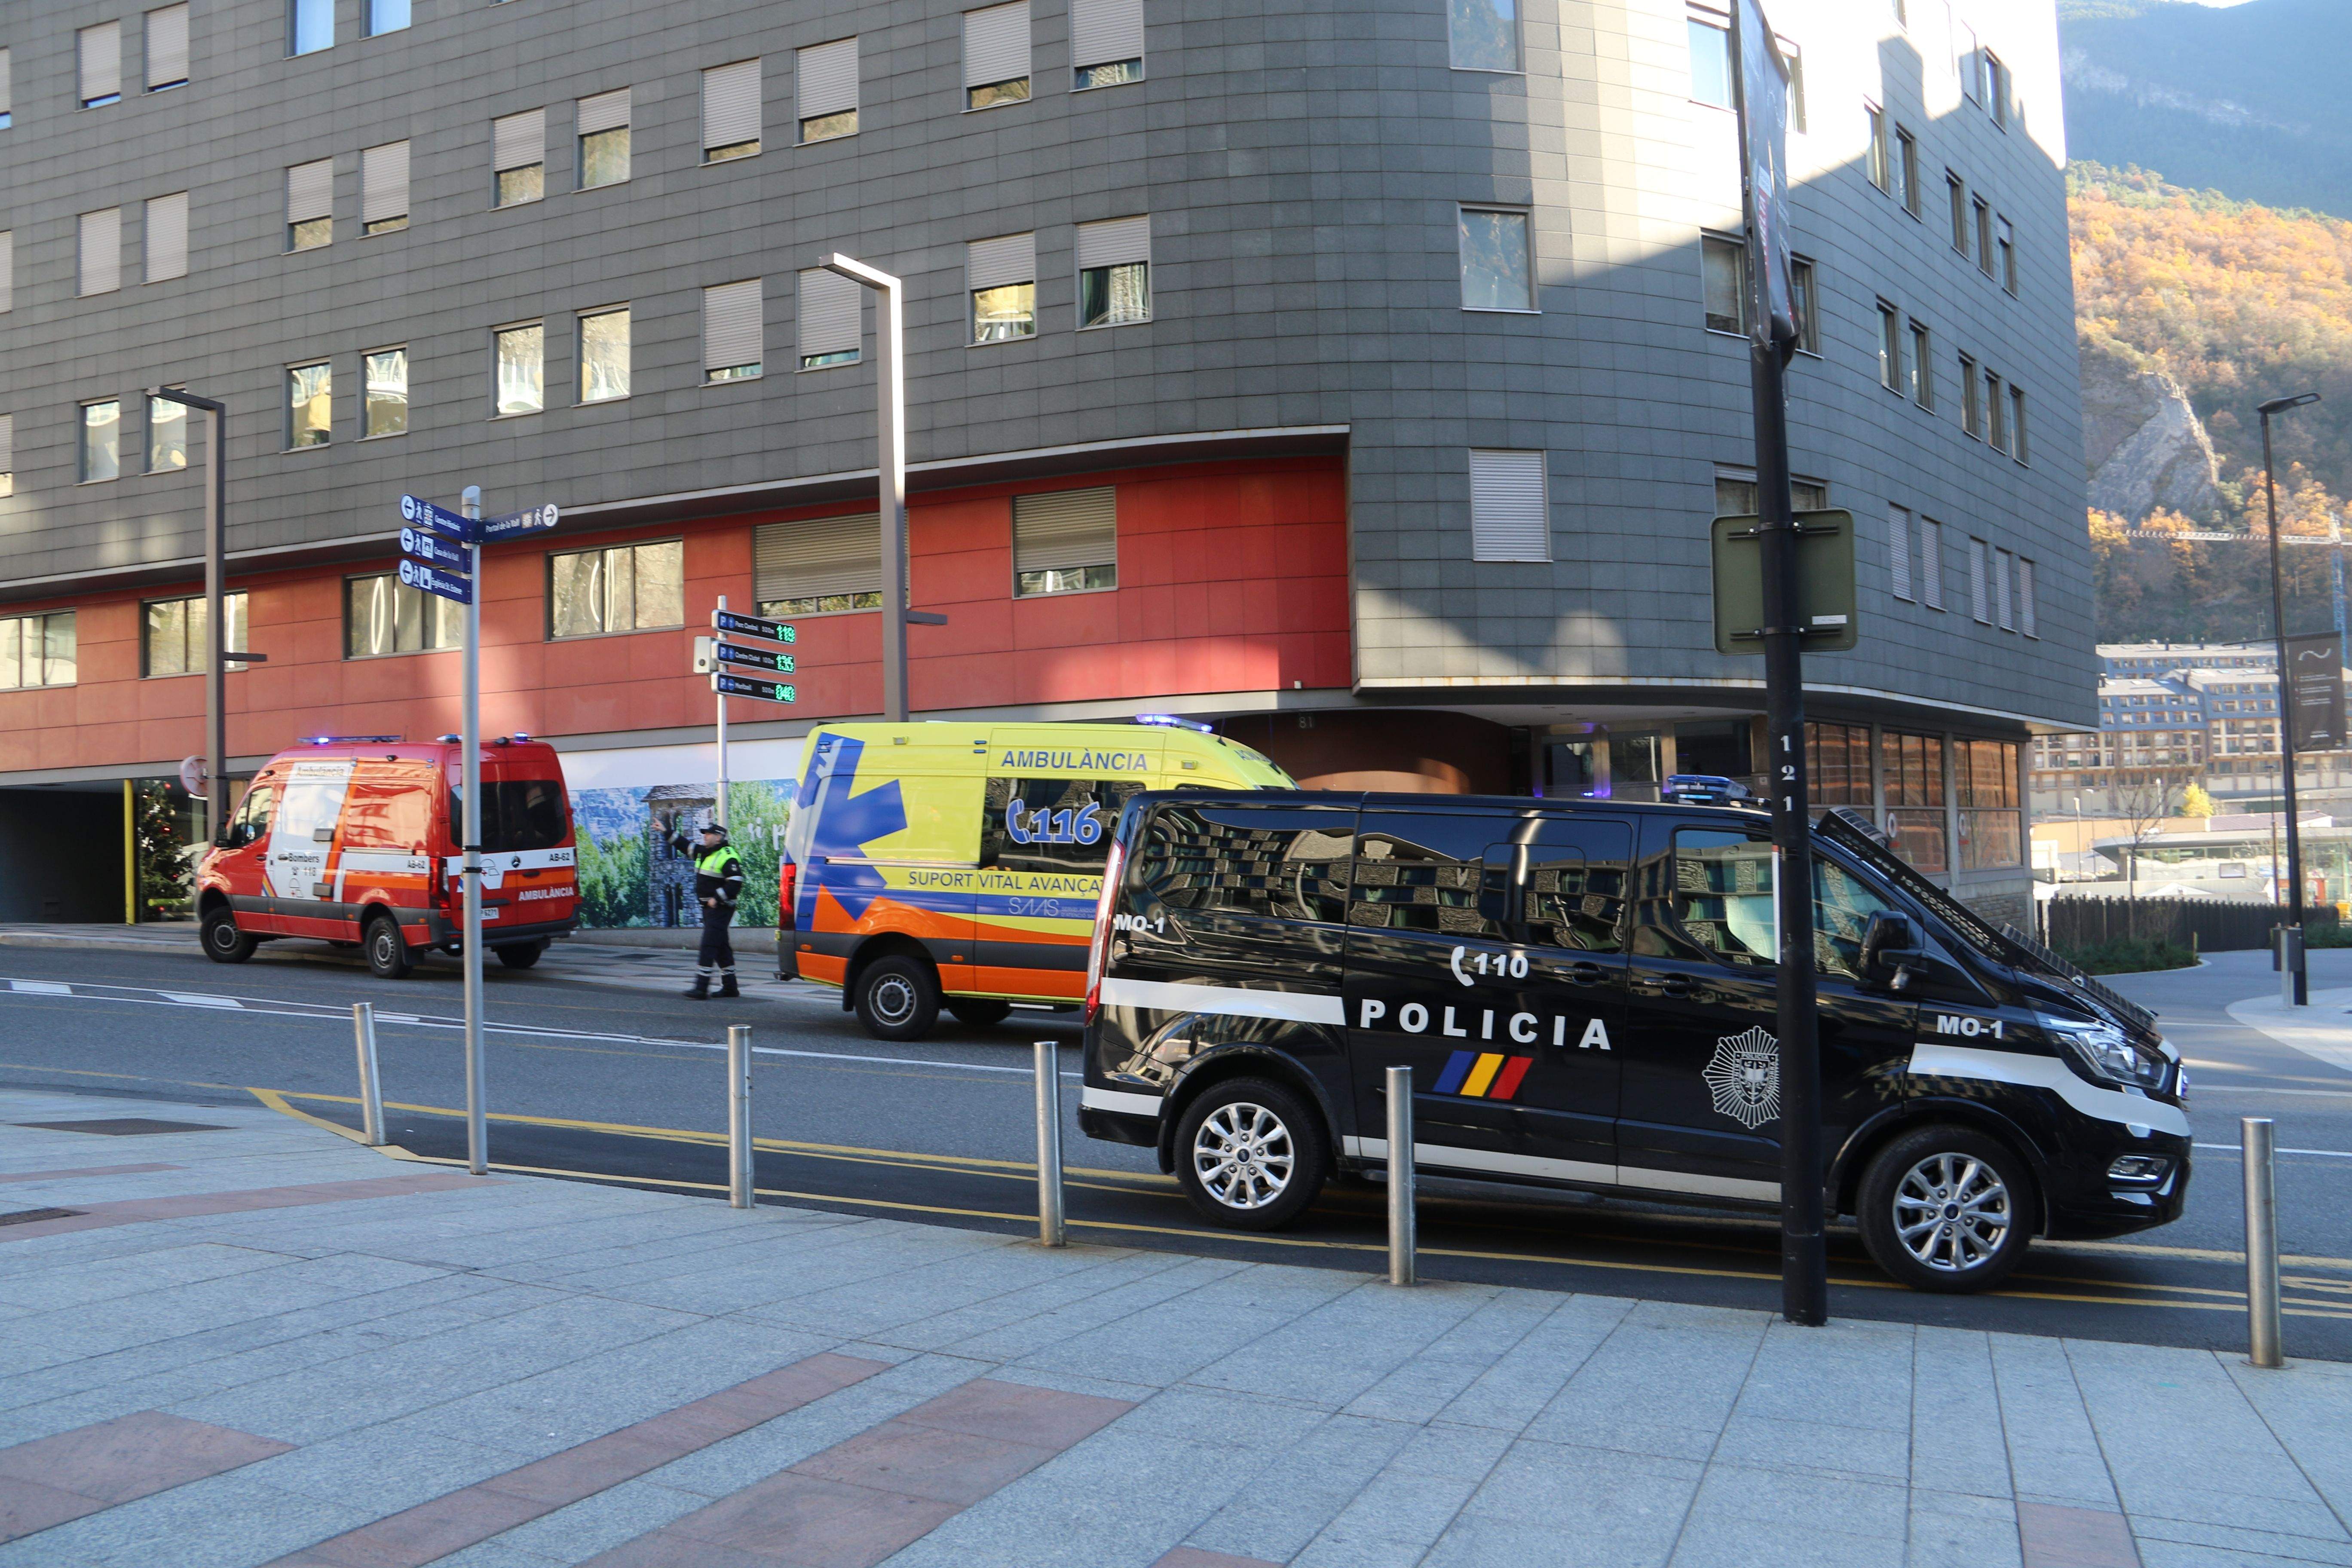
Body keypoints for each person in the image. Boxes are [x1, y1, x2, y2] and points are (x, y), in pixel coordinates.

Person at [669, 815, 745, 998]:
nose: (705, 837)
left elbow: (736, 881)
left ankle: (701, 988)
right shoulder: (705, 852)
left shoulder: (727, 856)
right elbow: (684, 845)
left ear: (718, 837)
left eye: (709, 835)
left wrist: (717, 898)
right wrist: (665, 831)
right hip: (710, 909)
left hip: (721, 908)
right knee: (721, 947)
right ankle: (730, 987)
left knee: (709, 944)